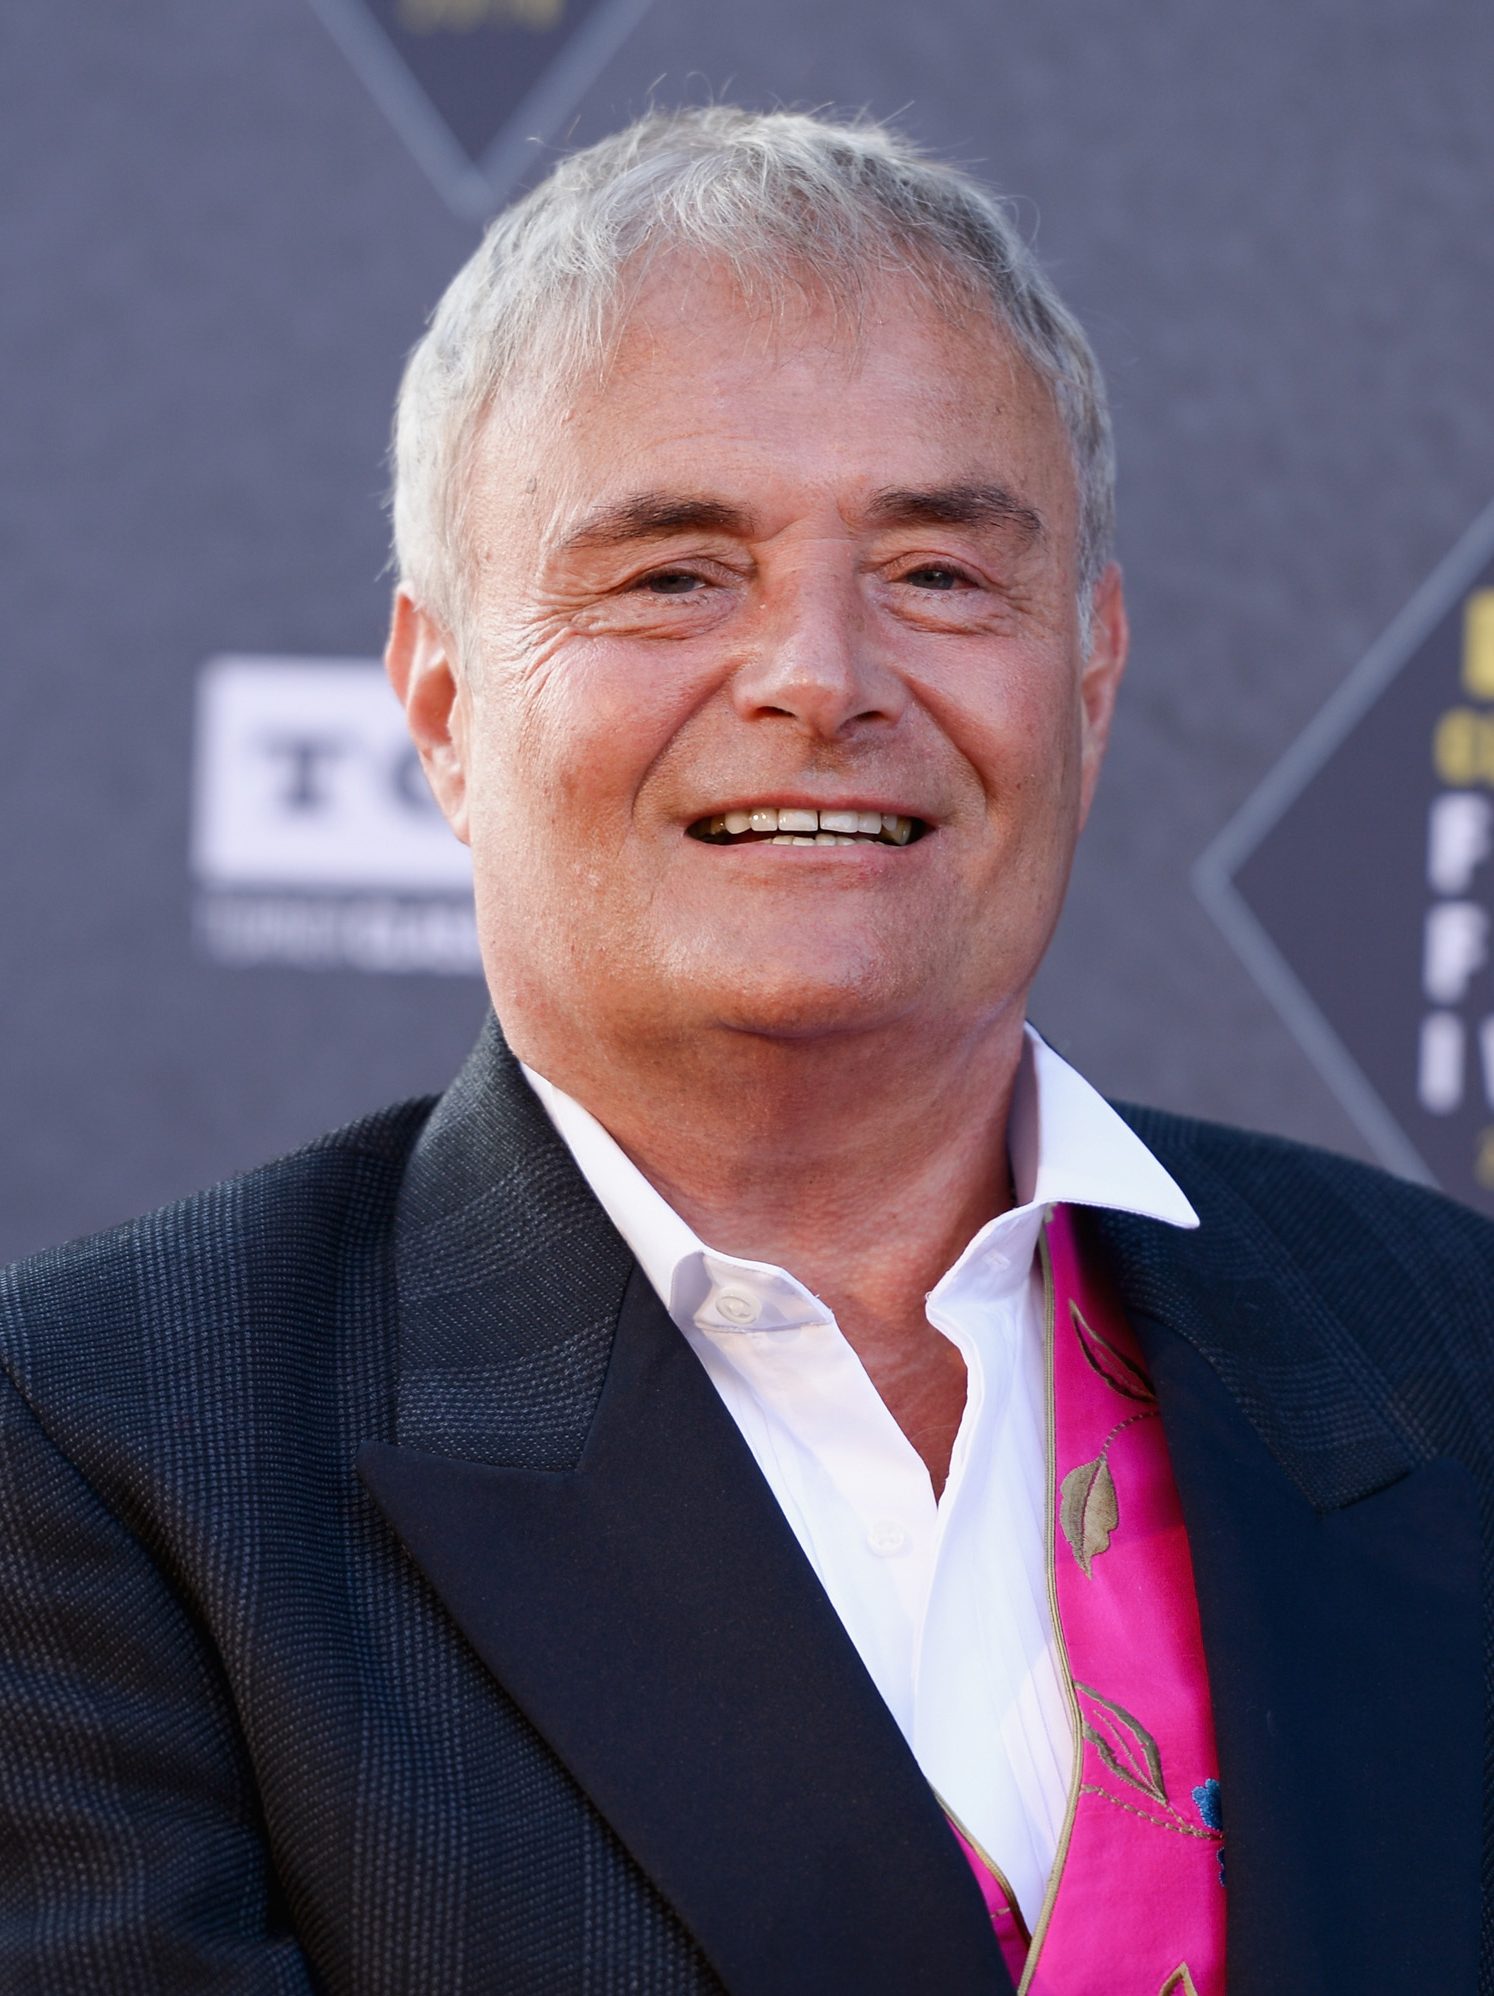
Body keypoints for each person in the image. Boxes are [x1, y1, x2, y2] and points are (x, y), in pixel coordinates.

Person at [0, 106, 1489, 1996]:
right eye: (673, 574)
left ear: (1090, 676)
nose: (820, 676)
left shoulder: (1447, 1346)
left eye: (938, 572)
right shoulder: (102, 1451)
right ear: (443, 706)